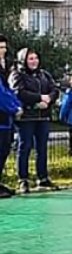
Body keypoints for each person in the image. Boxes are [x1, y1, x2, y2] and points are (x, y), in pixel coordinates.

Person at [9, 47, 59, 193]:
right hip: (26, 117)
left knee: (42, 148)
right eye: (30, 59)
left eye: (36, 58)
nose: (34, 61)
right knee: (24, 147)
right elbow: (18, 93)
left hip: (43, 116)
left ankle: (43, 178)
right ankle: (23, 179)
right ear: (23, 60)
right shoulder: (17, 74)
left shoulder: (44, 74)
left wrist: (49, 99)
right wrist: (38, 98)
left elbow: (54, 89)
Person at [0, 67, 22, 198]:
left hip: (5, 122)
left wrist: (17, 106)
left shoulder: (2, 74)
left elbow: (9, 92)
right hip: (2, 120)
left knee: (3, 152)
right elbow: (2, 95)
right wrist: (15, 108)